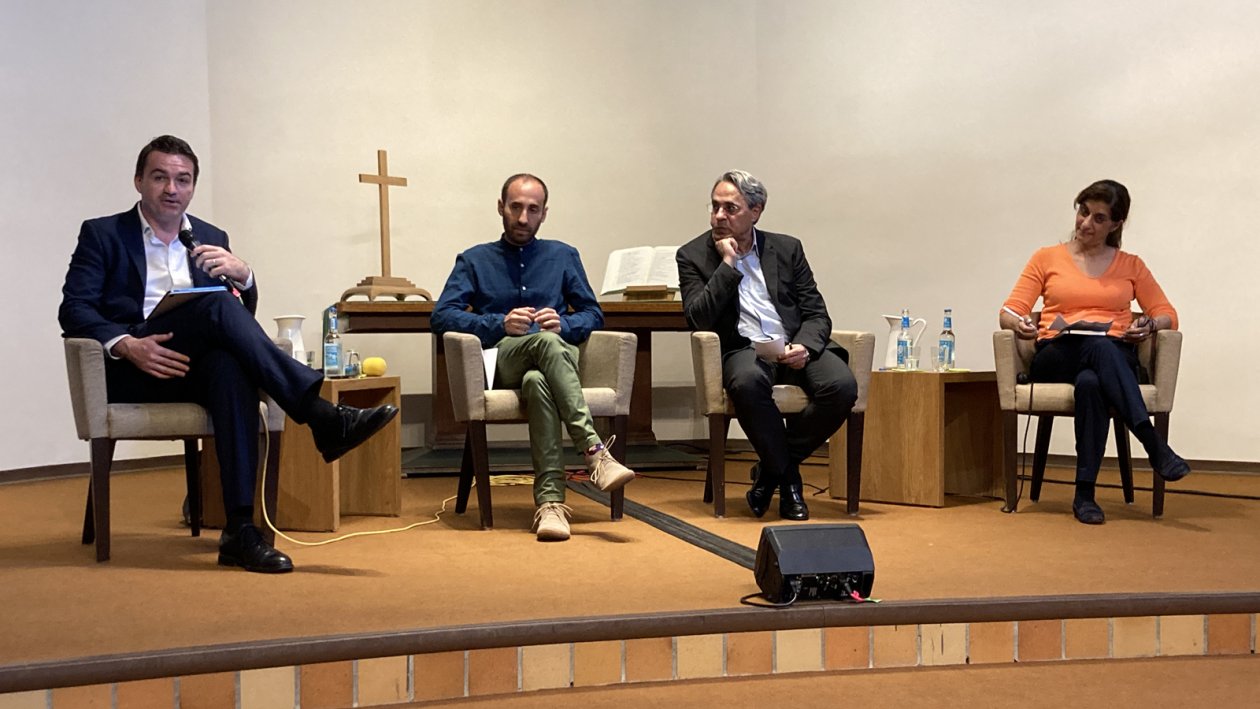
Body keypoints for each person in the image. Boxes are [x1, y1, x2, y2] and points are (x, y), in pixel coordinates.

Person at [59, 135, 398, 572]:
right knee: (216, 302)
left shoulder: (210, 237)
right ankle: (320, 415)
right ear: (139, 180)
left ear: (193, 186)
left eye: (183, 180)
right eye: (160, 177)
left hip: (194, 367)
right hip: (134, 367)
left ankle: (240, 529)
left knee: (230, 365)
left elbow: (239, 325)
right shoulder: (103, 234)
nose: (171, 189)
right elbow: (74, 309)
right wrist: (127, 345)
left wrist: (247, 277)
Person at [431, 173, 635, 541]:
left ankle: (550, 505)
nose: (523, 218)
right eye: (516, 208)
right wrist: (498, 322)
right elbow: (442, 315)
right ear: (501, 207)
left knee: (539, 378)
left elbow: (593, 313)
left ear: (544, 214)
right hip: (502, 360)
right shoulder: (474, 259)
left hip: (554, 360)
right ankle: (594, 451)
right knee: (543, 347)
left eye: (532, 209)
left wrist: (564, 323)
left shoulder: (563, 255)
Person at [1000, 179, 1190, 525]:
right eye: (1083, 212)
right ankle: (1152, 443)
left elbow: (1168, 314)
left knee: (1091, 382)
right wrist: (1019, 325)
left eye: (1099, 218)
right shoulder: (1046, 257)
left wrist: (1148, 325)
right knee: (1098, 347)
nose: (1086, 224)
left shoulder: (1130, 265)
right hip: (1057, 354)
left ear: (1116, 224)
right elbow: (1010, 310)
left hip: (1111, 356)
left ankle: (1084, 495)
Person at [676, 170, 858, 520]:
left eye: (730, 208)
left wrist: (804, 345)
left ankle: (769, 470)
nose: (719, 217)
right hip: (743, 349)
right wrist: (728, 265)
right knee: (747, 382)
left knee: (842, 386)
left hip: (792, 344)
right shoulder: (693, 255)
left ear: (756, 211)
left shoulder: (787, 248)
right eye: (715, 207)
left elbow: (817, 313)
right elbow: (698, 318)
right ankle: (788, 480)